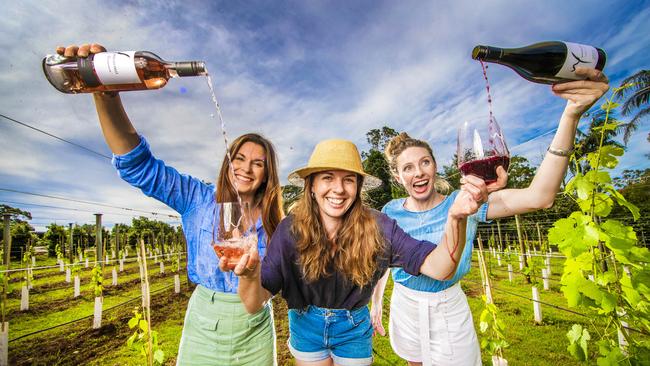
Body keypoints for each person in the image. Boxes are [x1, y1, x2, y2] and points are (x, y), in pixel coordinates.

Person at [56, 43, 284, 365]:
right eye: (240, 158)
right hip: (205, 320)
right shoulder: (196, 198)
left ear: (267, 173)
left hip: (257, 325)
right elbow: (139, 166)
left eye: (258, 163)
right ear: (227, 162)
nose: (246, 168)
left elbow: (265, 293)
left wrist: (251, 276)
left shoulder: (277, 223)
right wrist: (105, 93)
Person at [370, 67, 610, 366]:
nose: (418, 172)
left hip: (447, 306)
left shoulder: (466, 202)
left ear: (434, 166)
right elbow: (383, 260)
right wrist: (377, 300)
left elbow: (540, 196)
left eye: (425, 162)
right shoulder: (390, 210)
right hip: (405, 304)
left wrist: (570, 116)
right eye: (408, 167)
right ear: (397, 176)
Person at [220, 138, 492, 366]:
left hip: (354, 328)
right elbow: (254, 303)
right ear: (312, 186)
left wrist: (455, 218)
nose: (338, 189)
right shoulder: (290, 230)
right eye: (327, 178)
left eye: (348, 180)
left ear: (358, 187)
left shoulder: (380, 226)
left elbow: (441, 268)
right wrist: (250, 275)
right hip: (306, 326)